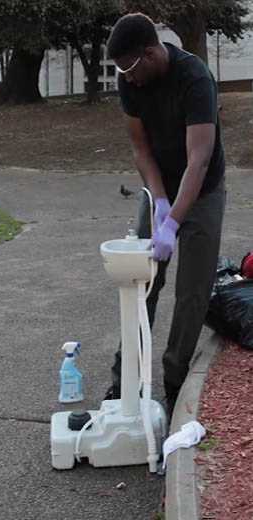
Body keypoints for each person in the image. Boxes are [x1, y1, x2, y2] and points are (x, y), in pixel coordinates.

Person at [105, 13, 225, 420]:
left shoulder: (195, 79)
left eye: (130, 69)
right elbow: (141, 149)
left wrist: (174, 222)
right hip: (161, 186)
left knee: (192, 293)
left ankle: (175, 383)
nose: (126, 79)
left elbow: (200, 158)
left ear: (152, 54)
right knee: (141, 284)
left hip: (203, 191)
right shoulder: (129, 81)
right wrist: (158, 203)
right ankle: (126, 379)